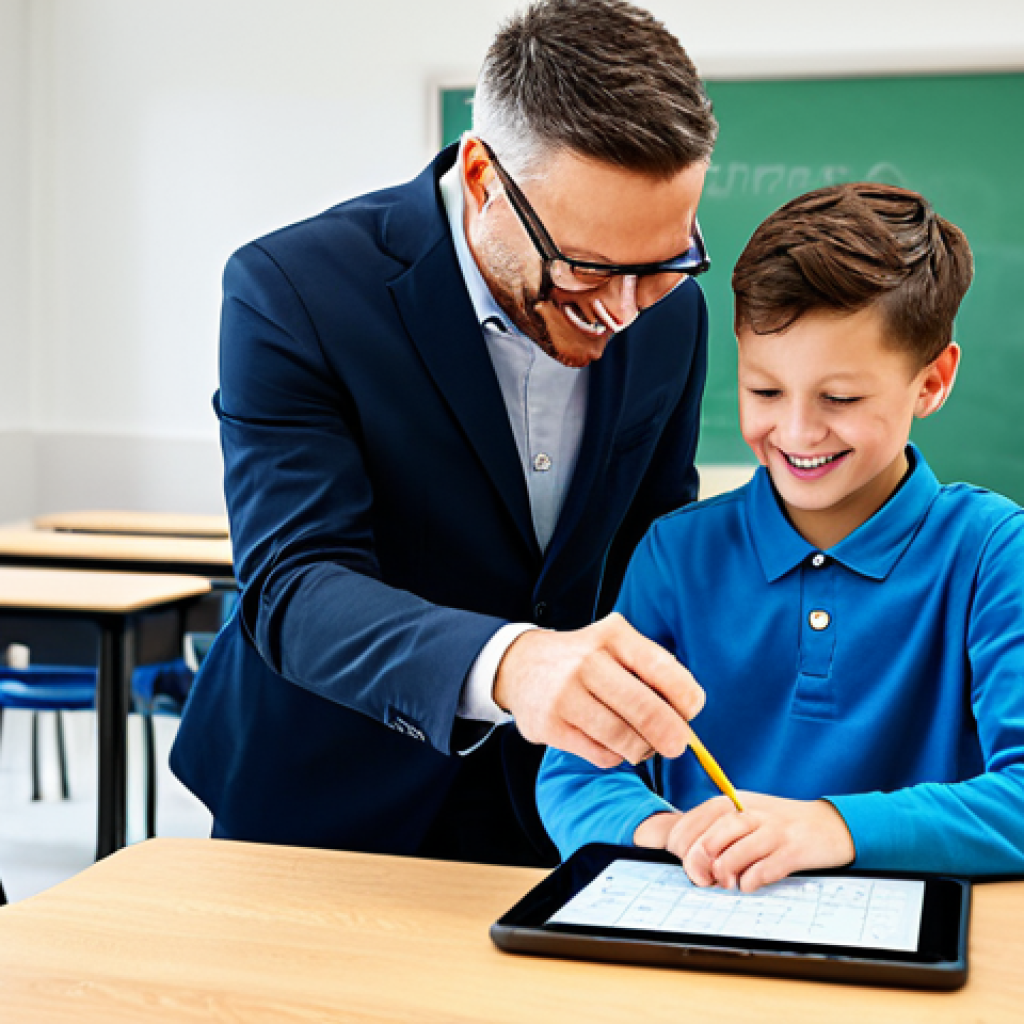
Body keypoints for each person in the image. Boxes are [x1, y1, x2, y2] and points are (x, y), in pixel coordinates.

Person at [170, 0, 717, 866]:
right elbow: (296, 585)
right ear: (481, 176)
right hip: (325, 800)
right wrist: (515, 665)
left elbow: (651, 546)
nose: (622, 311)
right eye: (586, 267)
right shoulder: (292, 291)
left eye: (662, 262)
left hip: (560, 802)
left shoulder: (675, 316)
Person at [538, 182, 1024, 888]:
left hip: (907, 975)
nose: (796, 432)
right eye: (765, 392)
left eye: (841, 399)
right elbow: (576, 778)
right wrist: (672, 835)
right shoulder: (676, 557)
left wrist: (829, 827)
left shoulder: (993, 554)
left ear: (932, 382)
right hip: (703, 937)